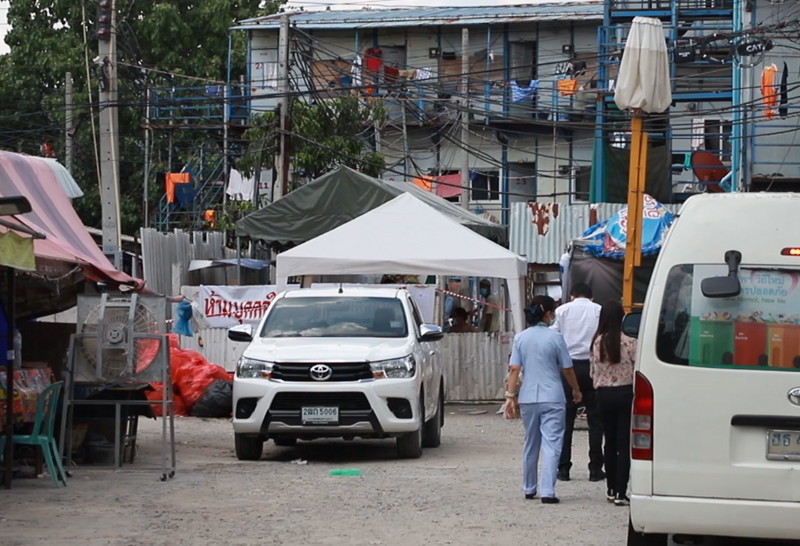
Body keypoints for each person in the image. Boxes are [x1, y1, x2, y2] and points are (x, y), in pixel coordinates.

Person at [505, 296, 582, 504]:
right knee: (552, 443)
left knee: (531, 443)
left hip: (528, 397)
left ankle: (529, 487)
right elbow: (567, 369)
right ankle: (548, 490)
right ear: (548, 314)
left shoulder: (520, 338)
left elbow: (514, 369)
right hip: (553, 396)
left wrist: (510, 396)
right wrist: (576, 390)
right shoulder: (556, 338)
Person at [551, 283, 604, 482]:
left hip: (568, 367)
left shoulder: (562, 310)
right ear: (591, 297)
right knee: (595, 420)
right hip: (592, 366)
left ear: (571, 296)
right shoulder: (598, 310)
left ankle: (563, 468)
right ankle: (595, 468)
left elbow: (554, 334)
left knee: (566, 419)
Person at [590, 300, 636, 506]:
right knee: (624, 444)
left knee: (609, 441)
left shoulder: (597, 342)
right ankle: (620, 491)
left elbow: (593, 372)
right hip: (625, 393)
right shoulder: (631, 342)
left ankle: (609, 488)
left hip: (604, 394)